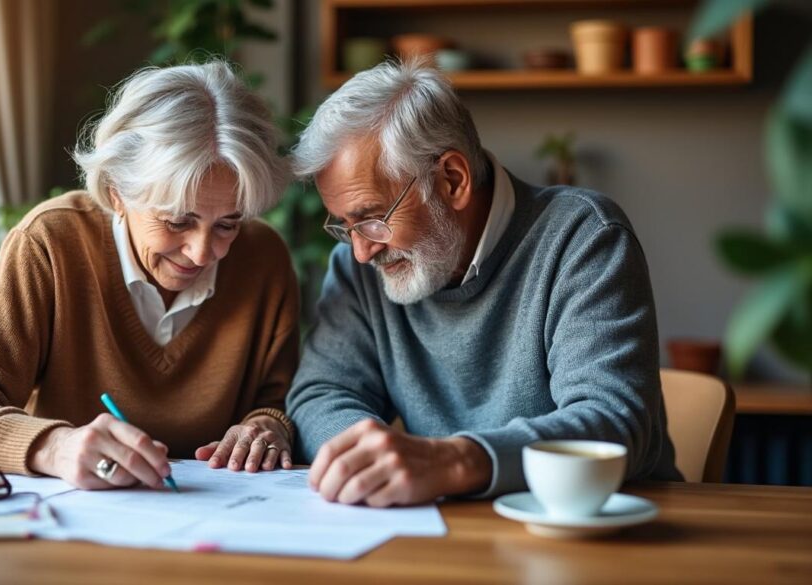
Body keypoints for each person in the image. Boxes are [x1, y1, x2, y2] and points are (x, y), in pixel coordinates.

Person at [286, 59, 681, 508]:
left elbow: (612, 422)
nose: (361, 250)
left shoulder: (583, 237)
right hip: (446, 529)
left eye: (372, 218)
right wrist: (363, 451)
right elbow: (321, 393)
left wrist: (454, 462)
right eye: (344, 225)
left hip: (601, 525)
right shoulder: (359, 269)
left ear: (452, 180)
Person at [0, 61, 299, 490]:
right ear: (117, 192)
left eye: (228, 223)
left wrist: (268, 427)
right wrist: (55, 447)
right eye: (177, 221)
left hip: (222, 522)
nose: (204, 252)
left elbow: (279, 402)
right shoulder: (53, 243)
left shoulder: (263, 257)